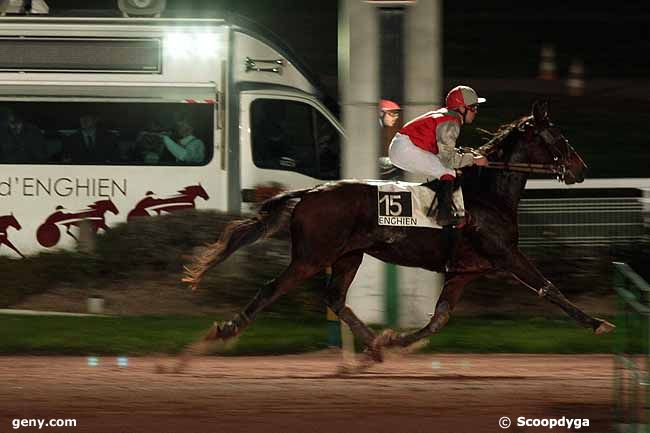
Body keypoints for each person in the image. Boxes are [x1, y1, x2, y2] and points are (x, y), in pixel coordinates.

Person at [388, 85, 489, 226]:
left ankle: (437, 206)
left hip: (403, 146)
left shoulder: (447, 116)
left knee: (442, 169)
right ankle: (443, 216)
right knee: (447, 171)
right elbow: (448, 160)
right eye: (473, 107)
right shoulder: (451, 122)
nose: (475, 111)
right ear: (461, 108)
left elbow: (444, 152)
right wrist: (474, 160)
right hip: (405, 148)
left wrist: (465, 154)